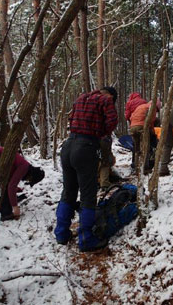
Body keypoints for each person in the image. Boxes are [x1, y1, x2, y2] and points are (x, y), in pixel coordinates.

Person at [54, 86, 118, 252]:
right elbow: (112, 121)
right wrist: (99, 133)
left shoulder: (81, 97)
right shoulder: (106, 100)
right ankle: (86, 239)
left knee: (68, 191)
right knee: (88, 193)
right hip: (86, 147)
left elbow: (70, 118)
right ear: (110, 95)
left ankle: (61, 233)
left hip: (68, 146)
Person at [129, 99, 161, 173]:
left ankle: (135, 165)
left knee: (136, 148)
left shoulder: (141, 106)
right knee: (147, 146)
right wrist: (153, 133)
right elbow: (151, 122)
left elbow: (131, 117)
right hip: (142, 127)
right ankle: (146, 166)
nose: (156, 112)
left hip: (133, 127)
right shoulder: (151, 108)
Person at [125, 92, 148, 169]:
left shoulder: (129, 103)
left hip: (134, 124)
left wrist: (131, 121)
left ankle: (134, 163)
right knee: (145, 144)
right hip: (143, 125)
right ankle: (145, 163)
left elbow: (127, 115)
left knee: (135, 145)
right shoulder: (144, 101)